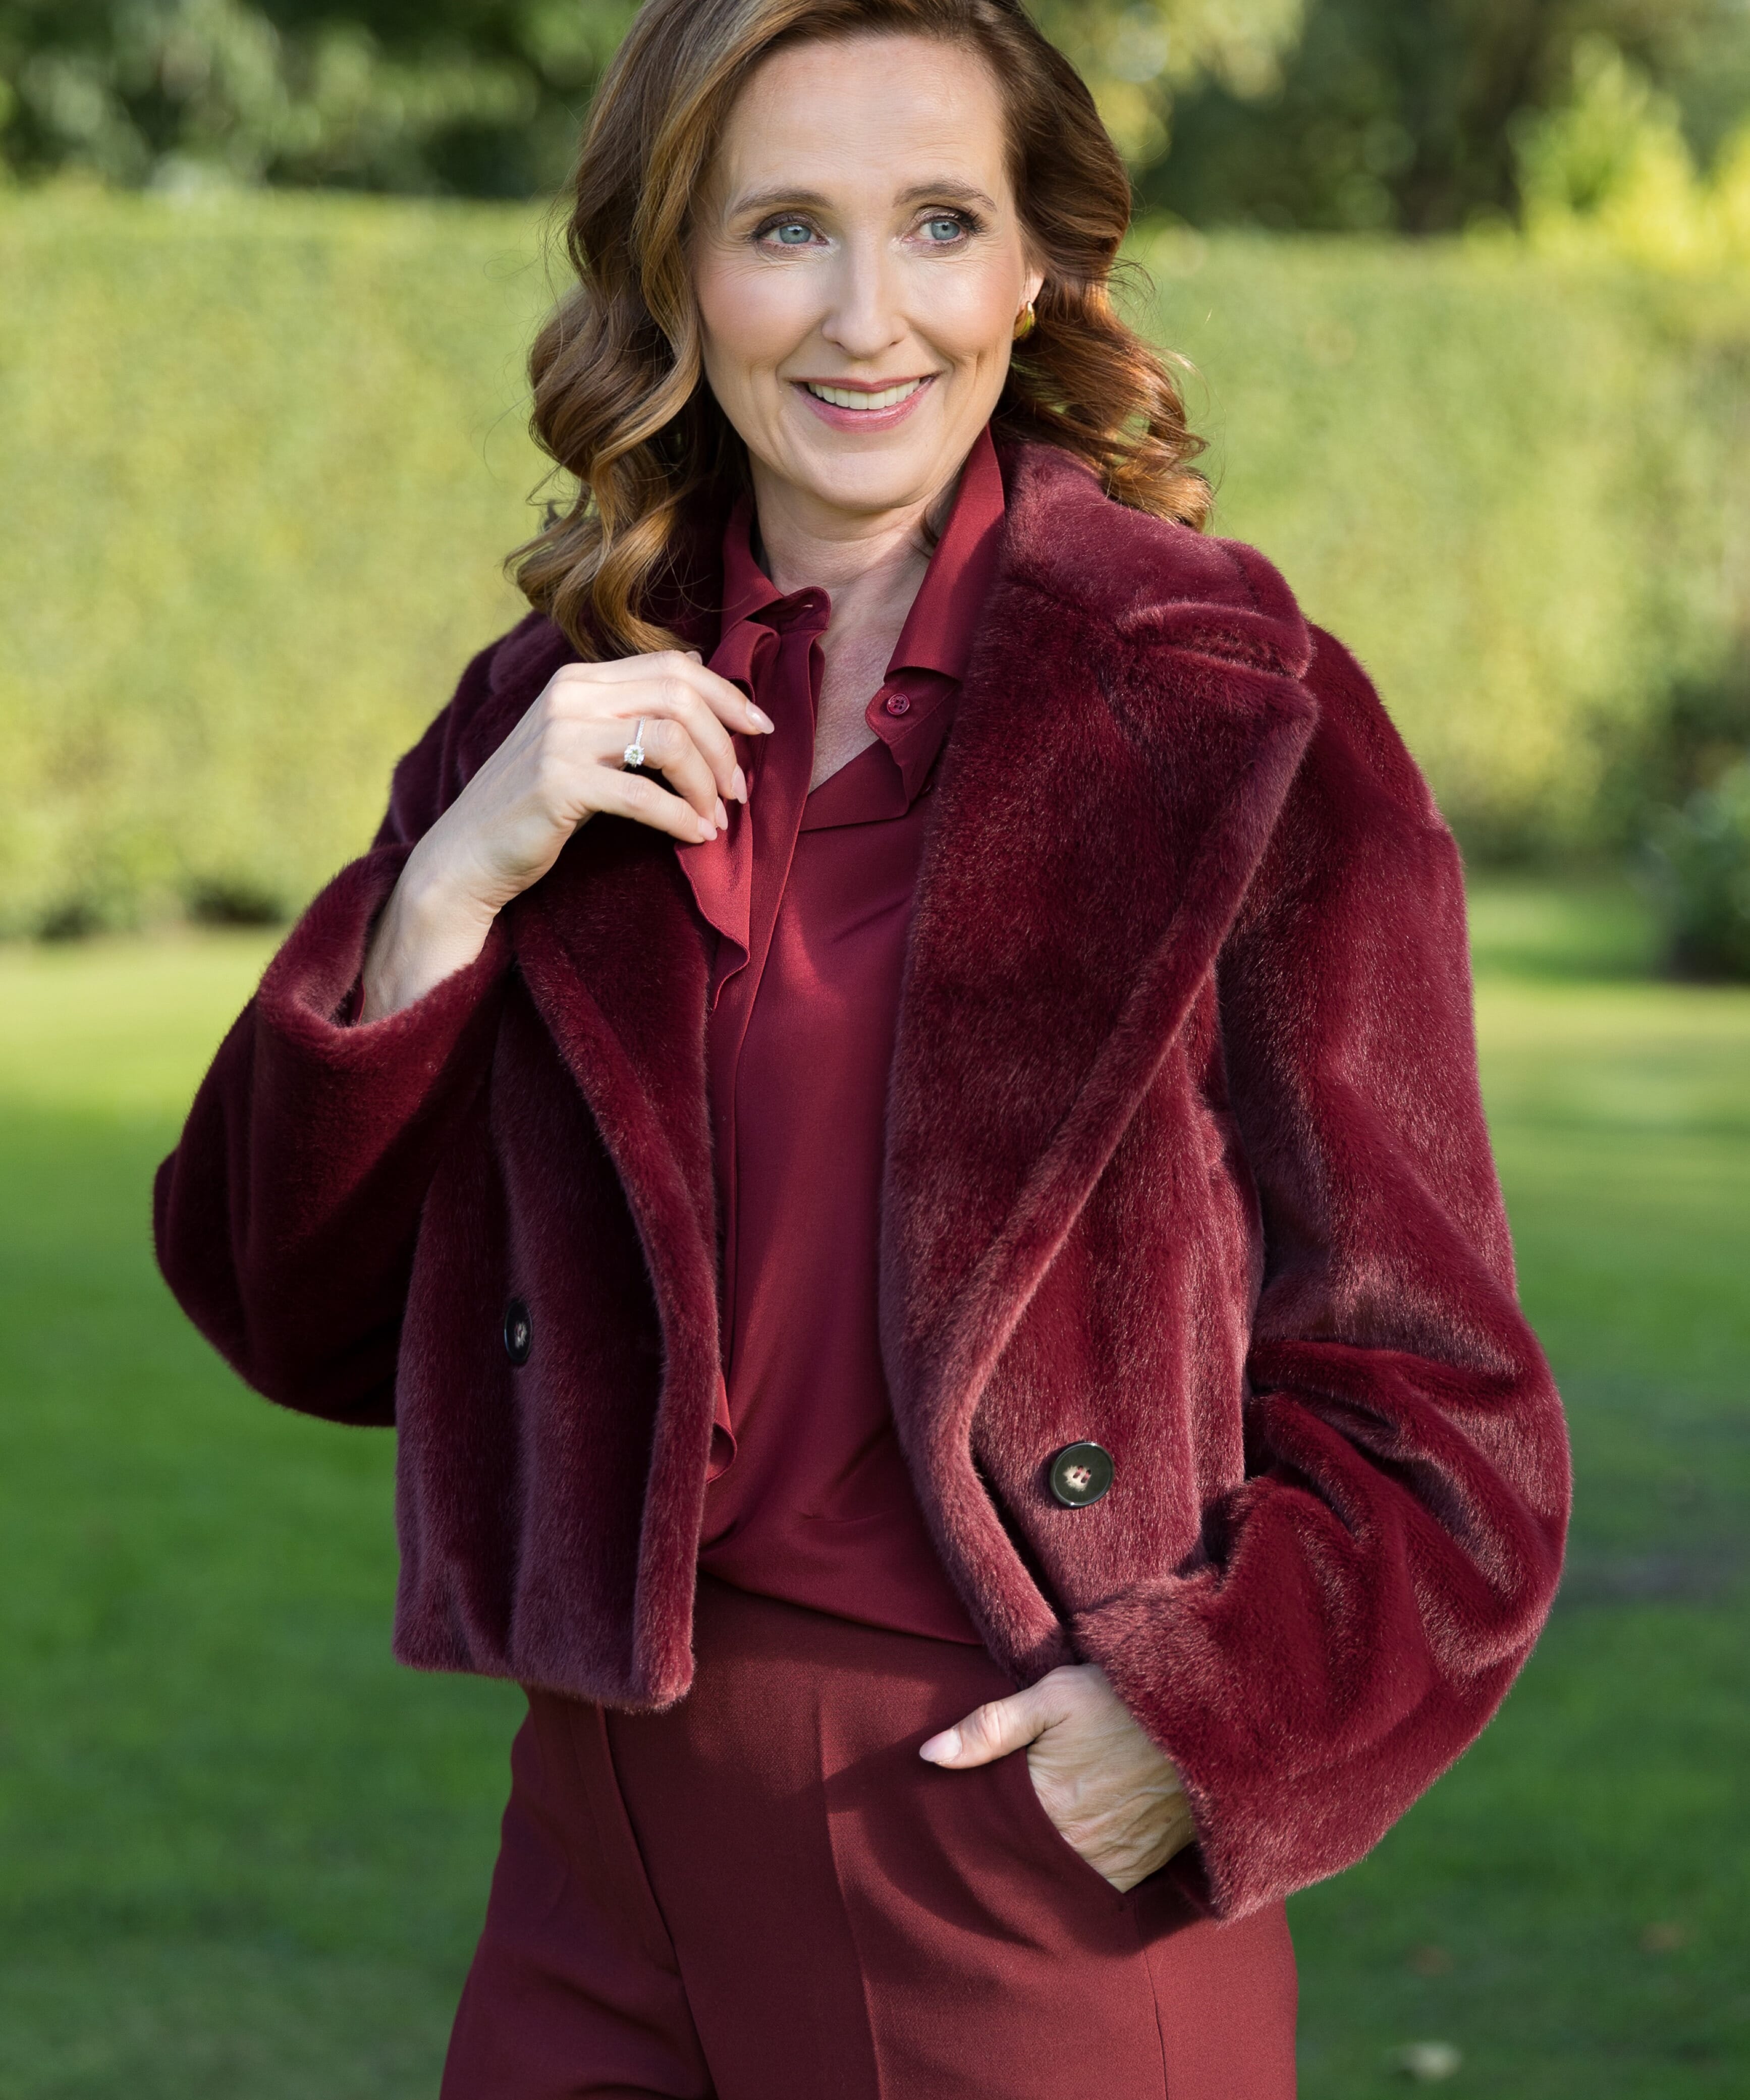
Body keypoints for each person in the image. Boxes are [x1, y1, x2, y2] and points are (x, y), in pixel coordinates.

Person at [153, 0, 1571, 2092]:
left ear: (1038, 267)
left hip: (1004, 1847)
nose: (865, 317)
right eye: (785, 229)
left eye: (936, 223)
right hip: (596, 1846)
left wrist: (1200, 1724)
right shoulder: (550, 718)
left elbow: (1441, 1399)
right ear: (677, 272)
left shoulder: (1234, 711)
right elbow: (290, 1310)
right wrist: (442, 899)